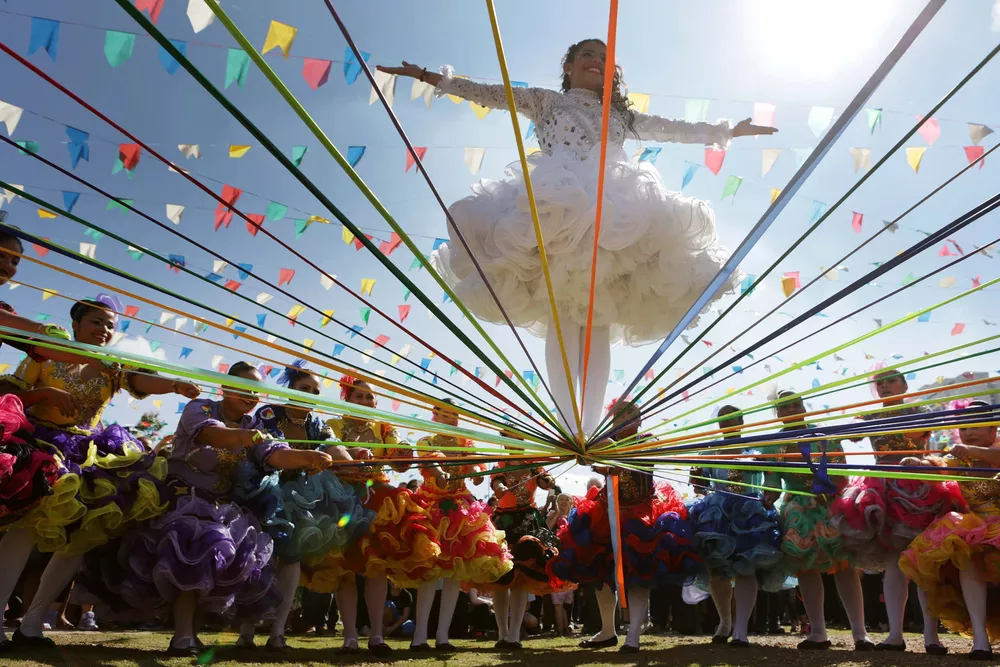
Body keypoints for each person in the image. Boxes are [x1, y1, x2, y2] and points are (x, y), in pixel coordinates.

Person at [378, 40, 775, 436]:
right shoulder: (545, 101)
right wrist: (430, 77)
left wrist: (729, 130)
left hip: (615, 212)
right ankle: (568, 425)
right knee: (563, 315)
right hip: (554, 206)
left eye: (604, 59)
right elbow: (489, 93)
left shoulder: (621, 114)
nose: (596, 62)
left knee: (597, 317)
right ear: (568, 66)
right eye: (588, 54)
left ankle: (590, 425)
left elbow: (672, 128)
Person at [77, 362, 332, 656]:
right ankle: (183, 635)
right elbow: (212, 435)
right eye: (243, 387)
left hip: (223, 508)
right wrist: (248, 439)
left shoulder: (253, 426)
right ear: (224, 387)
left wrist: (308, 456)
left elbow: (276, 454)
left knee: (212, 568)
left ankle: (190, 634)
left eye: (257, 390)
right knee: (193, 556)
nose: (251, 395)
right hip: (180, 501)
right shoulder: (201, 408)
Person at [0, 296, 202, 648]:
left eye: (110, 325)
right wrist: (44, 393)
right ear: (75, 324)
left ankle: (32, 624)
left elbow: (139, 381)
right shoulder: (46, 351)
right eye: (97, 322)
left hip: (88, 455)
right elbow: (9, 393)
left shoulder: (111, 366)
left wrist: (173, 385)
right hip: (41, 450)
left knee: (81, 538)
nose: (105, 330)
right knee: (25, 531)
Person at [234, 360, 375, 651]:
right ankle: (246, 631)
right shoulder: (269, 413)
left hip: (306, 498)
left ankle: (277, 633)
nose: (309, 393)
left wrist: (354, 464)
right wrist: (310, 459)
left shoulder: (316, 423)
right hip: (265, 491)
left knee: (291, 559)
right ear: (291, 389)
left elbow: (334, 447)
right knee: (260, 559)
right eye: (304, 388)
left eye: (314, 390)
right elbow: (273, 450)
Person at [303, 375, 438, 657]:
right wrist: (351, 453)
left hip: (378, 504)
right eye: (359, 397)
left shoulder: (385, 428)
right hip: (341, 501)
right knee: (345, 571)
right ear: (347, 399)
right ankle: (350, 636)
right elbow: (329, 453)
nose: (365, 401)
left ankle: (377, 635)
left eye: (370, 397)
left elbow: (400, 463)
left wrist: (403, 452)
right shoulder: (333, 425)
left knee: (376, 569)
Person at [549, 401, 700, 652]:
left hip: (641, 516)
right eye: (618, 417)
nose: (624, 421)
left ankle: (633, 635)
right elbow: (588, 459)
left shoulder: (647, 441)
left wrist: (603, 457)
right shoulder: (603, 442)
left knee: (639, 574)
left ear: (640, 421)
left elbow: (630, 463)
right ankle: (608, 631)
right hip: (605, 514)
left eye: (630, 417)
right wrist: (584, 450)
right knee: (600, 574)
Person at [830, 370, 964, 654]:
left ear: (904, 384)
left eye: (891, 381)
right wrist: (853, 425)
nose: (884, 386)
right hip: (884, 492)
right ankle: (895, 635)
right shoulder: (869, 417)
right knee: (893, 563)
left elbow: (919, 432)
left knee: (926, 563)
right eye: (879, 383)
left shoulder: (921, 411)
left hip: (924, 490)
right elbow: (850, 436)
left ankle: (932, 636)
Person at [764, 390, 873, 651]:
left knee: (844, 565)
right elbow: (772, 483)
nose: (791, 411)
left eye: (795, 405)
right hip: (796, 514)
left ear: (804, 407)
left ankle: (860, 633)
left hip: (829, 507)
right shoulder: (771, 445)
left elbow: (841, 473)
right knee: (805, 569)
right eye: (785, 407)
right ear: (777, 414)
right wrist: (766, 497)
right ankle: (818, 632)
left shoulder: (824, 436)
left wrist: (830, 489)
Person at [900, 400, 1000, 660]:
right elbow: (937, 466)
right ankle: (980, 640)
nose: (969, 432)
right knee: (963, 557)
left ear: (994, 430)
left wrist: (970, 449)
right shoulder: (956, 457)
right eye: (964, 427)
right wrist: (917, 464)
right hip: (973, 527)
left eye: (977, 426)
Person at [409, 400, 512, 652]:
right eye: (446, 414)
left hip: (462, 512)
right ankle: (419, 636)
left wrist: (477, 471)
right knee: (429, 574)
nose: (452, 419)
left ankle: (443, 637)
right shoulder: (426, 441)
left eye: (455, 414)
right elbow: (430, 462)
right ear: (435, 415)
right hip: (431, 509)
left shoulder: (466, 442)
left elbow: (475, 464)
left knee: (455, 574)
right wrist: (440, 474)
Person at [688, 405, 785, 647]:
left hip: (750, 513)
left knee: (746, 568)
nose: (728, 423)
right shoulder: (710, 449)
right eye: (723, 419)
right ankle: (724, 623)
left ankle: (741, 628)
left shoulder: (755, 445)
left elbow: (771, 476)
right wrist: (696, 474)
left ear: (742, 420)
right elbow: (699, 482)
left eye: (733, 418)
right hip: (717, 513)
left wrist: (771, 492)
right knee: (717, 570)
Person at [480, 429, 570, 649]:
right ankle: (502, 633)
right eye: (508, 440)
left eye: (517, 439)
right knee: (500, 580)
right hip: (503, 524)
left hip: (528, 523)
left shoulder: (532, 464)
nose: (513, 443)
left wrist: (548, 481)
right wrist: (499, 487)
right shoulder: (500, 466)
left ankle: (514, 636)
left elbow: (545, 480)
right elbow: (497, 485)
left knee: (521, 579)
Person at [547, 494, 575, 635]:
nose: (563, 502)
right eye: (560, 500)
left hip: (571, 558)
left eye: (566, 500)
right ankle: (559, 627)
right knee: (557, 594)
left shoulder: (574, 517)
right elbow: (546, 528)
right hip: (555, 557)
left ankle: (568, 623)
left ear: (571, 503)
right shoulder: (552, 515)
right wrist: (557, 513)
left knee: (569, 594)